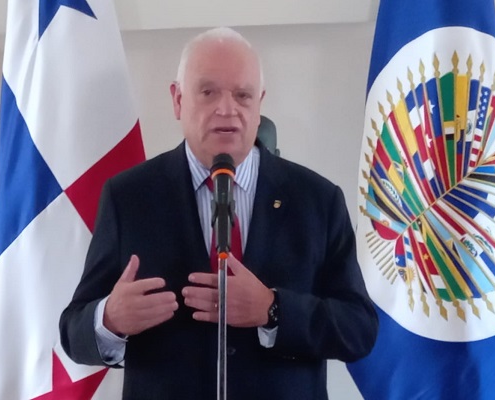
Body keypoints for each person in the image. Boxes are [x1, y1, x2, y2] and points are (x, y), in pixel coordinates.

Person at [60, 27, 378, 400]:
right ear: (178, 99)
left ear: (259, 104)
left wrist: (273, 310)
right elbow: (73, 331)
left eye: (242, 95)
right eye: (208, 92)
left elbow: (359, 329)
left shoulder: (317, 200)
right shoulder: (128, 197)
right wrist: (109, 320)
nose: (227, 109)